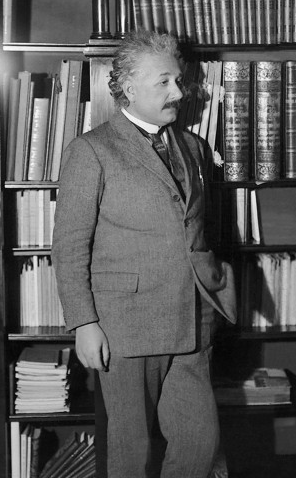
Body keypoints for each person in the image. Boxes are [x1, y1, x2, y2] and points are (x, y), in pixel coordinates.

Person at [52, 29, 236, 478]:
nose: (178, 92)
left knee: (200, 443)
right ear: (129, 89)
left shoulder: (192, 147)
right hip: (125, 326)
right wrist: (84, 323)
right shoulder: (91, 151)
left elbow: (199, 231)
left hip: (191, 320)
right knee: (131, 451)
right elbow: (70, 246)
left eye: (179, 80)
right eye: (164, 82)